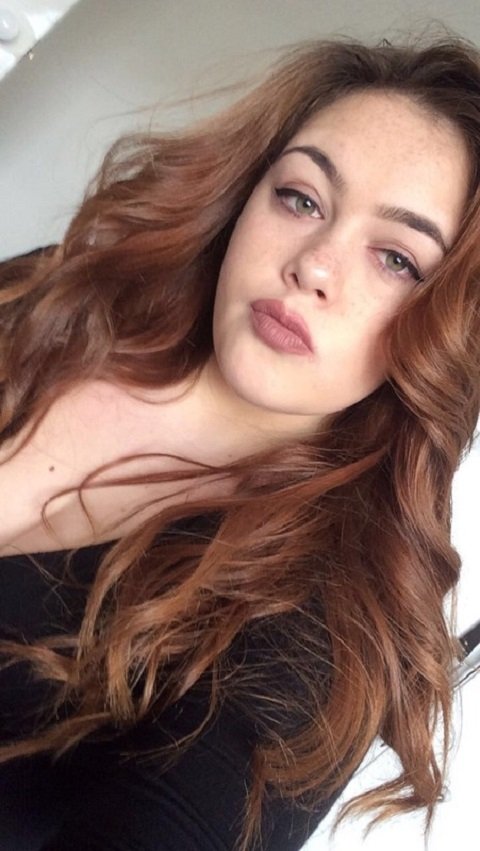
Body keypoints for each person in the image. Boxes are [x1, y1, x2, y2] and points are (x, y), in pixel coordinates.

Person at [0, 27, 479, 851]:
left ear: (448, 332)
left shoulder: (321, 628)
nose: (314, 265)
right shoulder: (67, 298)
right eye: (301, 198)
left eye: (397, 260)